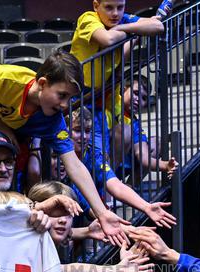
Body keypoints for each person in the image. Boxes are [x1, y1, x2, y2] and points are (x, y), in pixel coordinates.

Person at [0, 52, 131, 246]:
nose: (65, 105)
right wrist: (2, 127)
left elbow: (75, 165)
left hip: (18, 140)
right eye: (62, 95)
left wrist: (103, 213)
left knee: (8, 191)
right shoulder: (5, 78)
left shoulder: (53, 121)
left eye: (70, 98)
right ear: (42, 83)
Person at [70, 0, 167, 159]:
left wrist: (122, 28)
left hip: (101, 99)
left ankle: (110, 181)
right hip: (78, 97)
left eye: (120, 7)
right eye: (108, 7)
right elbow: (107, 39)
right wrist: (135, 31)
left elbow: (158, 26)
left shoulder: (121, 21)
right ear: (96, 6)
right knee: (88, 155)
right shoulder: (88, 18)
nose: (115, 13)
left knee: (104, 154)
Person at [69, 107, 175, 228]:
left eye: (87, 131)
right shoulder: (57, 156)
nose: (84, 136)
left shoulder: (93, 154)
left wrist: (146, 206)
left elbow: (115, 185)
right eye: (77, 130)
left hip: (86, 213)